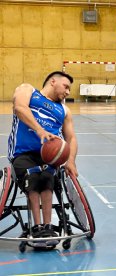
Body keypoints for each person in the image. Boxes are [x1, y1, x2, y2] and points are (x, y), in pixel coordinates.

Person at [7, 71, 78, 244]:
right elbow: (20, 108)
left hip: (50, 157)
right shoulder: (28, 90)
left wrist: (71, 161)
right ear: (53, 81)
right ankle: (36, 227)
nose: (68, 92)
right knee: (33, 177)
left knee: (47, 179)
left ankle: (47, 227)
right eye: (66, 87)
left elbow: (71, 138)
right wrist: (40, 130)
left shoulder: (64, 110)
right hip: (22, 153)